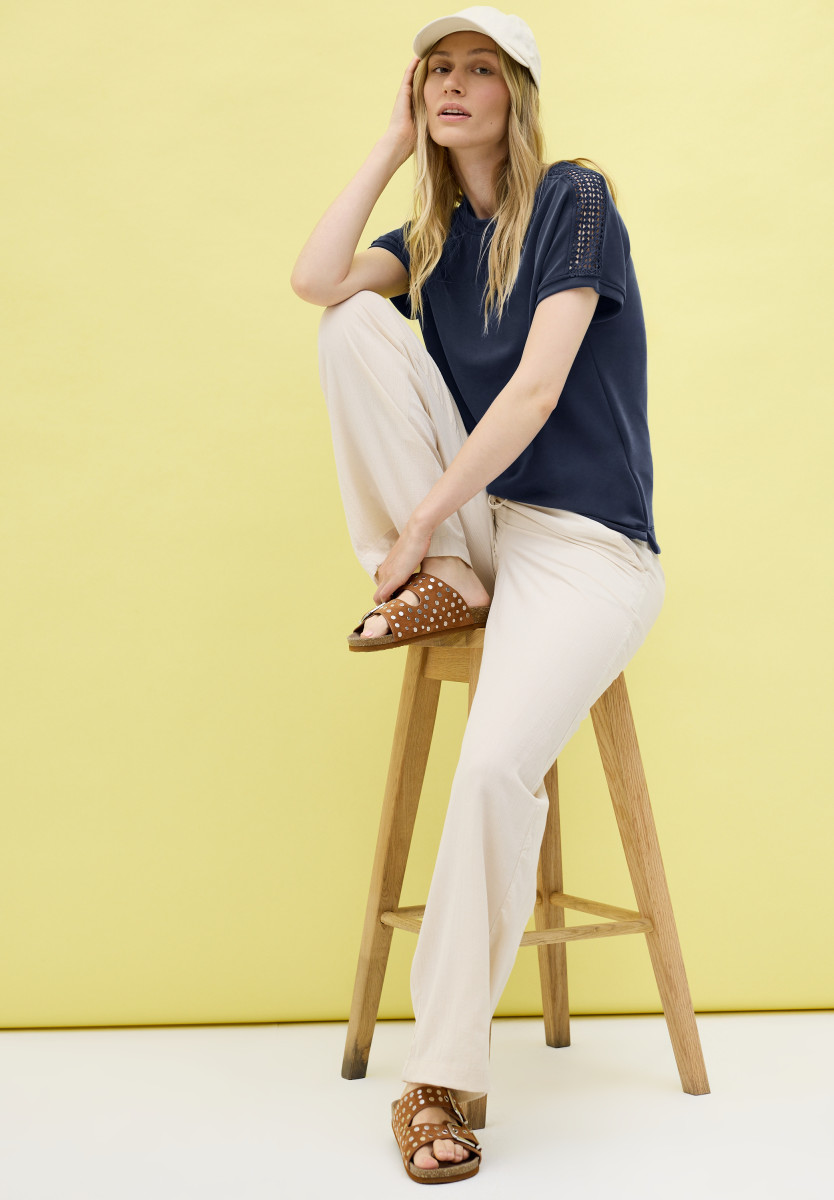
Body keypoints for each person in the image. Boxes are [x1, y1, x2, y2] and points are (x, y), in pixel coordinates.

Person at [290, 4, 665, 1184]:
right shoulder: (432, 237)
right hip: (486, 529)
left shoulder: (575, 202)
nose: (453, 85)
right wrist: (390, 144)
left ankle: (440, 1078)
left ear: (518, 93)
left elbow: (539, 390)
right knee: (351, 323)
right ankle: (449, 581)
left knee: (497, 769)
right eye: (435, 72)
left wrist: (416, 520)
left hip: (587, 548)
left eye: (479, 70)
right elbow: (313, 281)